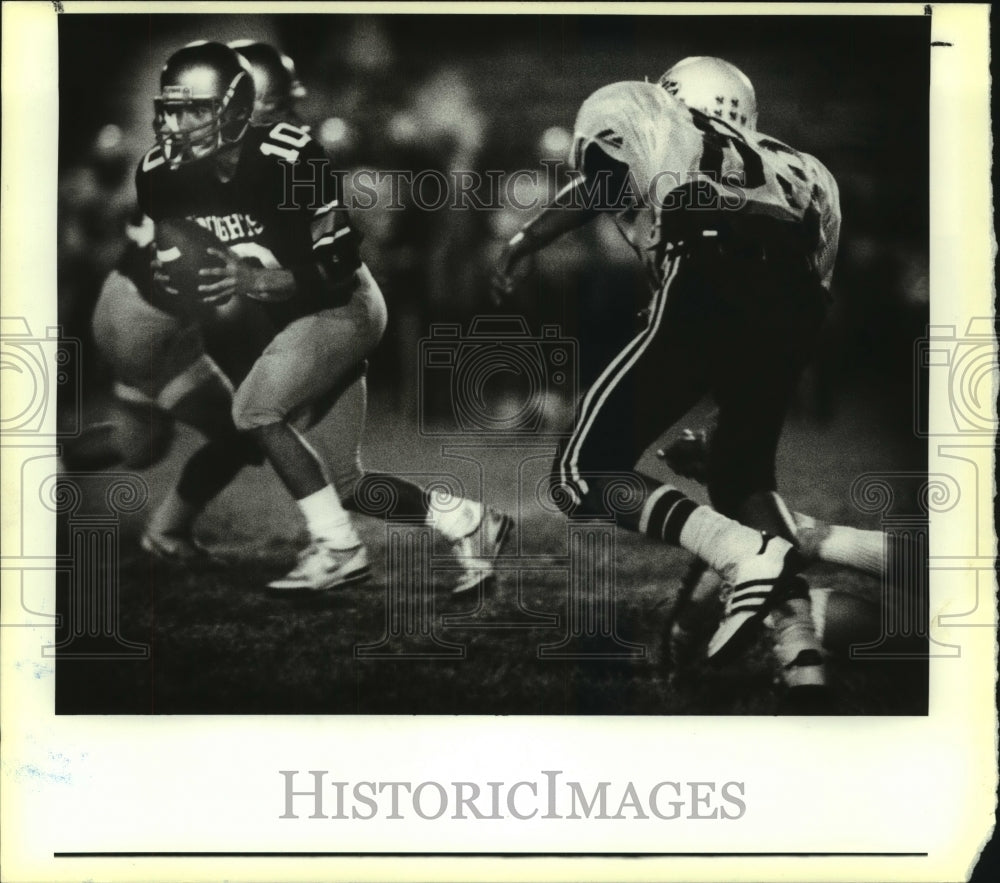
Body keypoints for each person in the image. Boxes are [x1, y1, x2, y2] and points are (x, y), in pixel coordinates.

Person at [494, 57, 842, 698]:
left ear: (676, 97)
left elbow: (601, 182)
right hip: (796, 306)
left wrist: (525, 240)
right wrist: (732, 412)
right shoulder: (807, 169)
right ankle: (801, 655)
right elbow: (809, 290)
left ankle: (740, 553)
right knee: (741, 475)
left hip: (709, 265)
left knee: (582, 474)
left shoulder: (657, 116)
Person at [138, 40, 508, 592]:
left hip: (343, 305)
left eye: (197, 109)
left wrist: (259, 280)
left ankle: (339, 549)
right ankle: (470, 521)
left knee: (254, 412)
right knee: (345, 481)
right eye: (173, 108)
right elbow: (177, 253)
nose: (179, 124)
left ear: (237, 109)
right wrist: (178, 274)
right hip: (287, 319)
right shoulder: (160, 173)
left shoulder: (289, 156)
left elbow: (336, 269)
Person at [62, 41, 314, 564]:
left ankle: (35, 470)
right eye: (284, 106)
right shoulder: (233, 164)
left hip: (124, 304)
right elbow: (240, 279)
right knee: (242, 434)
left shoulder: (188, 159)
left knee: (142, 445)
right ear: (247, 103)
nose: (295, 119)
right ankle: (167, 532)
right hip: (152, 323)